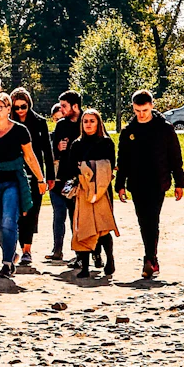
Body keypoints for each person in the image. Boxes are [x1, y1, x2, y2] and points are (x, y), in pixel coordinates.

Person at [0, 91, 48, 279]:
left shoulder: (20, 130)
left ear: (8, 108)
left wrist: (40, 179)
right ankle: (11, 252)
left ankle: (7, 263)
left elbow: (30, 157)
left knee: (9, 220)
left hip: (13, 181)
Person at [116, 89, 184, 280]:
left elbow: (175, 157)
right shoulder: (129, 131)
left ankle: (149, 258)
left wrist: (179, 182)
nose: (141, 114)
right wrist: (120, 184)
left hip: (158, 181)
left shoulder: (164, 129)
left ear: (152, 106)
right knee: (143, 220)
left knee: (152, 219)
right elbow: (123, 160)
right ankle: (151, 257)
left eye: (145, 110)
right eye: (137, 111)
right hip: (137, 183)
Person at [68, 108, 118, 279]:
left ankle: (109, 258)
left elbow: (109, 165)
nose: (88, 124)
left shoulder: (106, 143)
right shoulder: (77, 144)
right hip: (83, 191)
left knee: (103, 228)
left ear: (98, 123)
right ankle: (85, 266)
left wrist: (89, 168)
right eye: (85, 121)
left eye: (92, 121)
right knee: (84, 228)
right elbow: (72, 167)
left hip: (102, 192)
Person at [10, 88, 54, 268]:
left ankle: (27, 250)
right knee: (15, 212)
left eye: (24, 106)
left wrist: (49, 176)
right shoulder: (8, 123)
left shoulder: (39, 122)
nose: (20, 110)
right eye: (16, 107)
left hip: (35, 173)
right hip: (13, 171)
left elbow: (47, 151)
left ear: (29, 104)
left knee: (32, 211)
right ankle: (13, 248)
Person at [47, 91, 83, 262]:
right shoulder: (61, 125)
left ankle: (82, 253)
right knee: (59, 213)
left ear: (75, 106)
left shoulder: (87, 121)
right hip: (62, 178)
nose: (60, 109)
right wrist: (58, 148)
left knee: (77, 216)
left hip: (80, 178)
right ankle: (57, 250)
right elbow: (51, 153)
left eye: (64, 106)